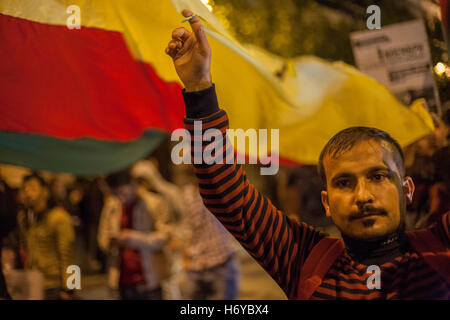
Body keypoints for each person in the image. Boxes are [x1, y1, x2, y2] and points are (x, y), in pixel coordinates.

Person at [164, 10, 450, 299]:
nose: (363, 195)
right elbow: (226, 195)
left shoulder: (440, 249)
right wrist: (199, 88)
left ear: (407, 189)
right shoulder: (307, 260)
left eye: (378, 176)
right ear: (326, 201)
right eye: (344, 183)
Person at [98, 169, 172, 300]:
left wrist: (133, 238)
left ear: (133, 184)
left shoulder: (153, 202)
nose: (120, 198)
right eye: (116, 194)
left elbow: (165, 236)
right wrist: (112, 241)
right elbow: (102, 240)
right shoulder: (112, 205)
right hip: (122, 280)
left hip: (149, 279)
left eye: (122, 192)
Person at [17, 173, 76, 300]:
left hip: (54, 287)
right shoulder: (24, 219)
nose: (27, 193)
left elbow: (69, 256)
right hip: (32, 285)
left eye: (32, 188)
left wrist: (71, 289)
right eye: (24, 189)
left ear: (45, 192)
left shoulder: (59, 218)